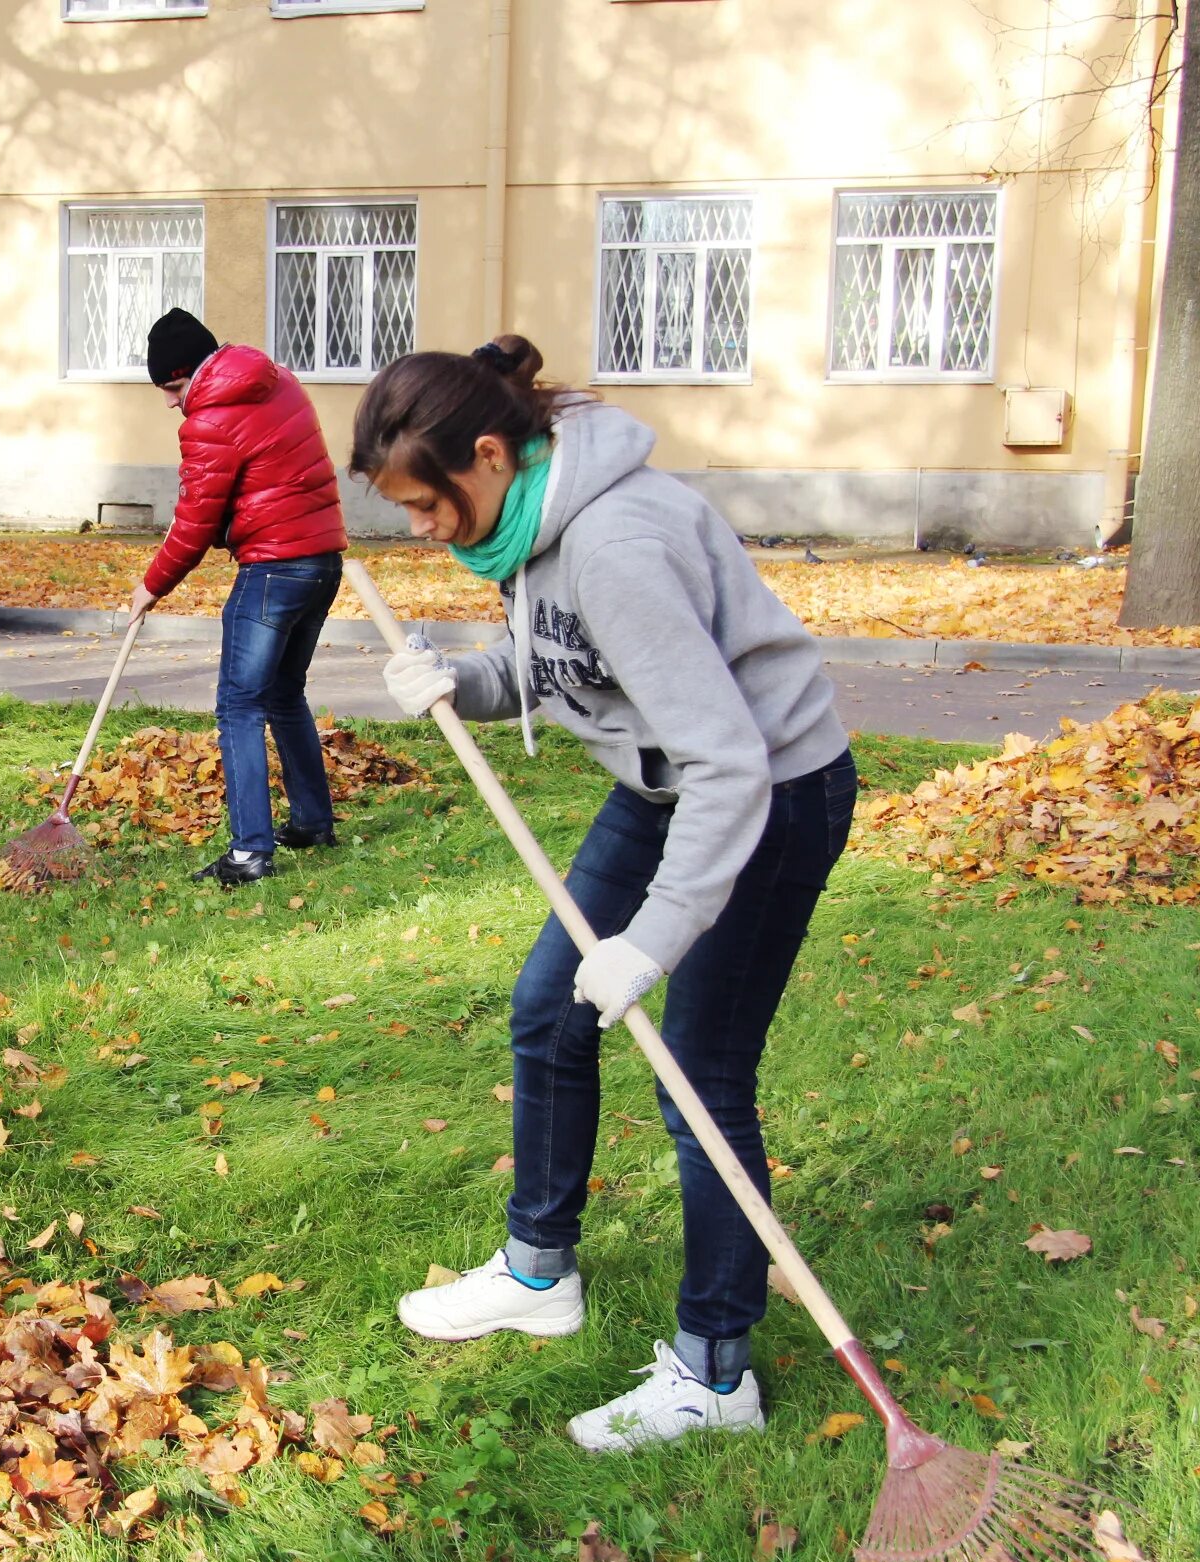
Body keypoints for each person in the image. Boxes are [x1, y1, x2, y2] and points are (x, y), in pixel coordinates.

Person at [365, 336, 855, 1453]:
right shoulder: (531, 523)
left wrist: (659, 935)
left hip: (766, 792)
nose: (417, 528)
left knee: (699, 1074)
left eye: (422, 503)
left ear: (487, 455)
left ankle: (714, 1373)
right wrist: (464, 679)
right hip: (665, 778)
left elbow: (730, 760)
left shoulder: (615, 542)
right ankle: (540, 1276)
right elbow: (568, 667)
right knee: (550, 1008)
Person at [130, 308, 348, 888]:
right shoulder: (280, 382)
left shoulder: (211, 418)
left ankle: (250, 852)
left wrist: (150, 587)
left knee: (238, 708)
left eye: (172, 389)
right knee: (282, 694)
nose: (172, 403)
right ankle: (311, 823)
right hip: (323, 562)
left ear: (189, 374)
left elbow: (194, 521)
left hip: (274, 571)